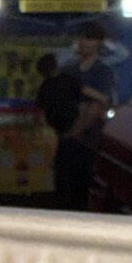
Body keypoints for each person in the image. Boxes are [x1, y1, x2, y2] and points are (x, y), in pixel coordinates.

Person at [55, 22, 116, 206]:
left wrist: (81, 90)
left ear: (98, 43)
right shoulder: (68, 69)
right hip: (66, 134)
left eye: (88, 38)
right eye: (80, 38)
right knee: (63, 185)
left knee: (82, 186)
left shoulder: (103, 71)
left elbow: (103, 100)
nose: (82, 42)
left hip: (89, 138)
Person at [34, 51, 86, 210]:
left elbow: (41, 115)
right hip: (76, 131)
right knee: (76, 168)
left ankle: (63, 201)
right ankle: (77, 202)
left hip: (59, 133)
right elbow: (82, 103)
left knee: (62, 169)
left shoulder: (45, 86)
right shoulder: (71, 80)